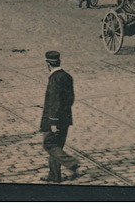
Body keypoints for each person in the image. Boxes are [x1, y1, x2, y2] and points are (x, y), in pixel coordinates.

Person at [39, 50, 80, 183]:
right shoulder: (67, 76)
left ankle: (71, 163)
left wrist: (53, 122)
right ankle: (54, 176)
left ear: (48, 64)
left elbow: (55, 101)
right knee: (57, 147)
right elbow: (70, 98)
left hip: (54, 121)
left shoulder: (55, 79)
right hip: (66, 119)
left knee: (49, 145)